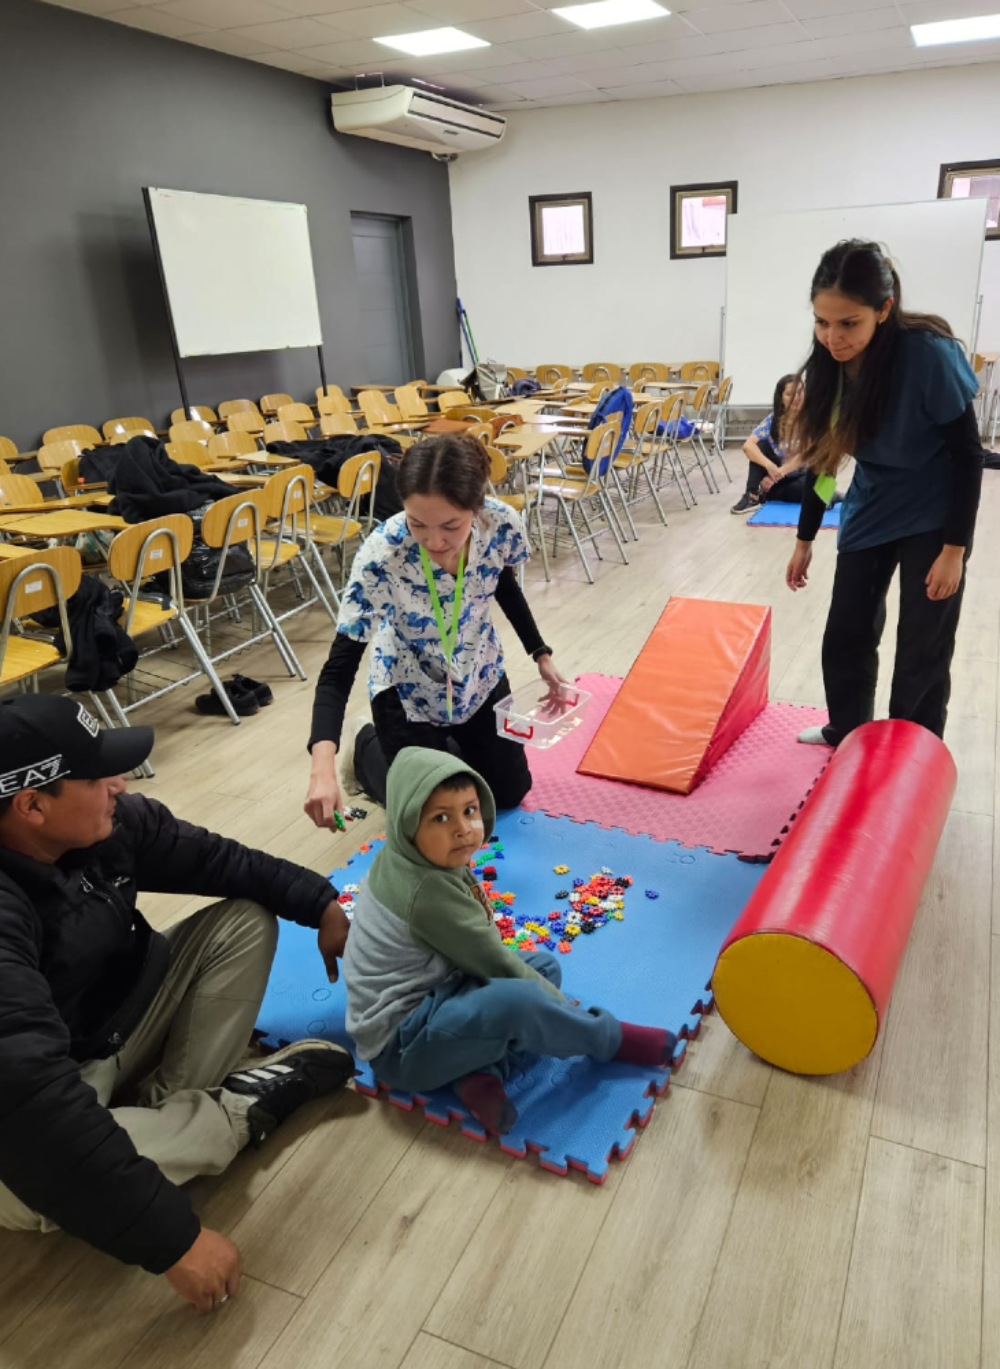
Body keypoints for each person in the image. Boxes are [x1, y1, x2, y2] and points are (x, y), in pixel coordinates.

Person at [0, 695, 354, 1314]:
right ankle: (237, 1111)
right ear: (31, 805)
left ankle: (157, 1120)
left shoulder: (109, 826)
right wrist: (173, 1239)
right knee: (23, 1196)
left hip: (115, 1021)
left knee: (245, 919)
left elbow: (219, 859)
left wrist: (322, 903)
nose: (119, 783)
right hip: (49, 1071)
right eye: (97, 775)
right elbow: (28, 1095)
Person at [342, 747, 677, 1137]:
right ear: (406, 825)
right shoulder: (425, 892)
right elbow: (493, 961)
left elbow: (490, 954)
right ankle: (608, 1039)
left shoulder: (415, 856)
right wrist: (562, 1007)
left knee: (543, 967)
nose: (464, 828)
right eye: (440, 817)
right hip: (402, 1048)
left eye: (469, 810)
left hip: (434, 995)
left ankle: (477, 1074)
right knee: (523, 999)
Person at [305, 432, 565, 825]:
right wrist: (320, 767)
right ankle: (365, 749)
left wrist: (541, 655)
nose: (434, 541)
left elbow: (503, 584)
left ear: (476, 509)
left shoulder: (500, 524)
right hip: (408, 693)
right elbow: (338, 669)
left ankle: (449, 758)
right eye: (417, 524)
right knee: (429, 817)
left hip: (479, 676)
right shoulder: (381, 555)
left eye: (450, 525)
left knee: (509, 794)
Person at [785, 238, 984, 747]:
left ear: (884, 309)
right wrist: (805, 537)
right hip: (873, 505)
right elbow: (826, 461)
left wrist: (954, 552)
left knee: (922, 645)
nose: (833, 336)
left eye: (848, 323)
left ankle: (910, 751)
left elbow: (967, 455)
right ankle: (846, 728)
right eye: (822, 321)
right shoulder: (828, 366)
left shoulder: (928, 356)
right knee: (847, 631)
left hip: (935, 513)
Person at [730, 373, 804, 514]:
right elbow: (748, 446)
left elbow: (806, 456)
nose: (796, 398)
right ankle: (752, 495)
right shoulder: (773, 420)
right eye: (789, 394)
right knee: (760, 447)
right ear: (781, 397)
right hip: (780, 473)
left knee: (812, 489)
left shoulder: (813, 419)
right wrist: (769, 466)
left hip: (802, 472)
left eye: (800, 392)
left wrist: (775, 476)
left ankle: (768, 493)